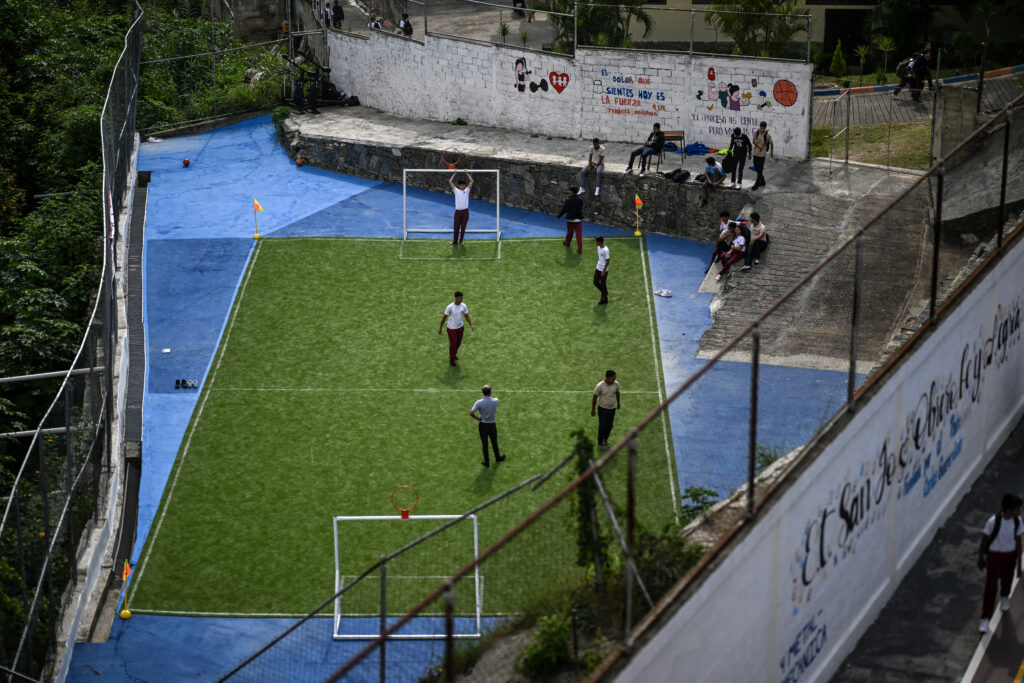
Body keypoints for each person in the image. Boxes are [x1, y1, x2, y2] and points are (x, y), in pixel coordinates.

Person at [977, 493, 1023, 633]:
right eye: (1017, 508)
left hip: (1010, 555)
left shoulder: (1017, 522)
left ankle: (1004, 596)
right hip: (995, 556)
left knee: (1007, 580)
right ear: (1010, 509)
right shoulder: (993, 521)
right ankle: (985, 618)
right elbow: (984, 539)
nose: (1019, 511)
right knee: (990, 586)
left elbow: (1018, 542)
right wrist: (981, 557)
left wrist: (1019, 564)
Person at [470, 385, 504, 467]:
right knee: (494, 442)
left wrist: (478, 418)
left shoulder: (479, 402)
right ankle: (498, 457)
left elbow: (471, 413)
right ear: (490, 392)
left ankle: (487, 462)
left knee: (484, 444)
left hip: (483, 425)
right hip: (492, 425)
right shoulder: (496, 401)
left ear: (482, 392)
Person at [438, 290, 474, 366]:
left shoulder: (463, 306)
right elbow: (444, 318)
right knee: (453, 345)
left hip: (460, 327)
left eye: (461, 298)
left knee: (458, 343)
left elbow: (466, 316)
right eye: (459, 298)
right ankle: (452, 360)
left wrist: (471, 324)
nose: (460, 300)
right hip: (451, 329)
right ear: (455, 298)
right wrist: (440, 328)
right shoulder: (450, 307)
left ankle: (454, 355)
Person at [591, 370, 620, 447]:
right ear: (608, 378)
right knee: (602, 427)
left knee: (610, 426)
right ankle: (600, 442)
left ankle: (605, 439)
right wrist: (593, 409)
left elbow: (617, 393)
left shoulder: (616, 384)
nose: (614, 380)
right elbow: (595, 397)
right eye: (613, 378)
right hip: (602, 409)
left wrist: (618, 403)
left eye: (615, 378)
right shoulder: (600, 386)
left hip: (612, 409)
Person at [557, 186, 585, 253]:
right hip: (578, 219)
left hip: (570, 220)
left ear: (572, 192)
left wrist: (559, 216)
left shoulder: (568, 200)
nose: (569, 191)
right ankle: (580, 249)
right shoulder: (580, 200)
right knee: (579, 235)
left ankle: (567, 243)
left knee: (570, 233)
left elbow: (564, 209)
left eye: (569, 190)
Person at [448, 172, 473, 244]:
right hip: (458, 212)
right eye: (462, 185)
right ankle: (454, 241)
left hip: (465, 212)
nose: (464, 186)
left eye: (464, 185)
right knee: (456, 227)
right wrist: (455, 173)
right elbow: (450, 182)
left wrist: (467, 173)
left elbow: (471, 181)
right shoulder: (456, 191)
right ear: (459, 186)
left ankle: (461, 241)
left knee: (463, 227)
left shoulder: (467, 191)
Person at [751, 121, 774, 190]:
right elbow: (753, 141)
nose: (762, 129)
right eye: (761, 128)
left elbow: (771, 144)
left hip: (762, 155)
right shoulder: (756, 133)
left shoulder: (767, 135)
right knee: (756, 168)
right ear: (760, 127)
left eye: (763, 128)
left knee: (760, 170)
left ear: (765, 128)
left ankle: (757, 184)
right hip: (756, 154)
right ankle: (763, 181)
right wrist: (759, 145)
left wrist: (771, 153)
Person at [594, 236, 610, 304]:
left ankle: (604, 299)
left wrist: (603, 270)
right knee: (595, 282)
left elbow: (608, 261)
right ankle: (605, 292)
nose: (595, 243)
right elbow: (600, 257)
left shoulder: (605, 250)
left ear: (599, 242)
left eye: (596, 241)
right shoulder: (598, 247)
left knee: (603, 284)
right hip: (598, 268)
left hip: (603, 270)